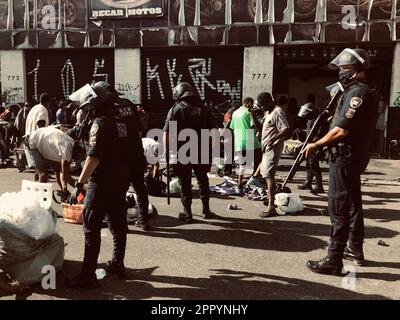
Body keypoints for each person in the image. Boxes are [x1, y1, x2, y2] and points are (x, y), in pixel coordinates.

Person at [304, 48, 379, 274]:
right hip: (351, 157)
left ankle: (334, 259)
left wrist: (316, 145)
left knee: (338, 206)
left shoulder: (358, 93)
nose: (341, 73)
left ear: (355, 70)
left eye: (344, 69)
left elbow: (341, 131)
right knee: (353, 204)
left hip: (344, 157)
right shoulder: (363, 91)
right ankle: (355, 249)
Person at [66, 82, 131, 288]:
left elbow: (93, 157)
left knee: (90, 224)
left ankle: (87, 276)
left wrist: (79, 183)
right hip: (121, 175)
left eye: (87, 107)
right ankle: (117, 263)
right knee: (117, 221)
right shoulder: (120, 121)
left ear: (96, 104)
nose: (86, 111)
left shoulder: (100, 123)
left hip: (103, 179)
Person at [163, 82, 217, 223]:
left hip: (182, 153)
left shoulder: (176, 110)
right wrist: (210, 149)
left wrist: (168, 152)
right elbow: (214, 132)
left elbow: (167, 133)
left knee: (185, 183)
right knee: (203, 180)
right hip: (202, 151)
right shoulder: (205, 109)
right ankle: (206, 210)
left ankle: (188, 213)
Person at [259, 95, 290, 217]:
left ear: (270, 102)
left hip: (273, 148)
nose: (262, 107)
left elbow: (285, 128)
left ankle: (271, 207)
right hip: (267, 147)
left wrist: (272, 139)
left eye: (263, 105)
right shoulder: (268, 112)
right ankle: (270, 201)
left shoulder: (278, 111)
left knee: (269, 176)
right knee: (266, 175)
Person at [27, 126, 80, 195]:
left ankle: (64, 192)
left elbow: (61, 172)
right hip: (33, 141)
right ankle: (37, 199)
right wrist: (80, 188)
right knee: (43, 175)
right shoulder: (66, 150)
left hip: (43, 140)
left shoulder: (71, 143)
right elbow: (66, 175)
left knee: (57, 170)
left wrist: (64, 188)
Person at [229, 97, 262, 195]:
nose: (253, 107)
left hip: (239, 142)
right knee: (260, 161)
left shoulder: (235, 113)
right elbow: (255, 126)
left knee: (242, 166)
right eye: (252, 104)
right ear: (248, 103)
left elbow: (232, 127)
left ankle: (239, 187)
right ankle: (255, 180)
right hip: (250, 141)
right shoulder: (249, 112)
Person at [297, 102, 325, 194]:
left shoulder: (319, 120)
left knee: (313, 165)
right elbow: (309, 131)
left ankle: (319, 185)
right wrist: (301, 131)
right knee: (308, 165)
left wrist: (314, 143)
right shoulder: (310, 120)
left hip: (315, 146)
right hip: (308, 145)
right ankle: (308, 182)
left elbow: (319, 134)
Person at [24, 93, 51, 170]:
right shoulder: (43, 109)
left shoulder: (34, 108)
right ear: (47, 102)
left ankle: (39, 174)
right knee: (42, 168)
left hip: (29, 138)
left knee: (39, 167)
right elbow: (40, 123)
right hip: (36, 139)